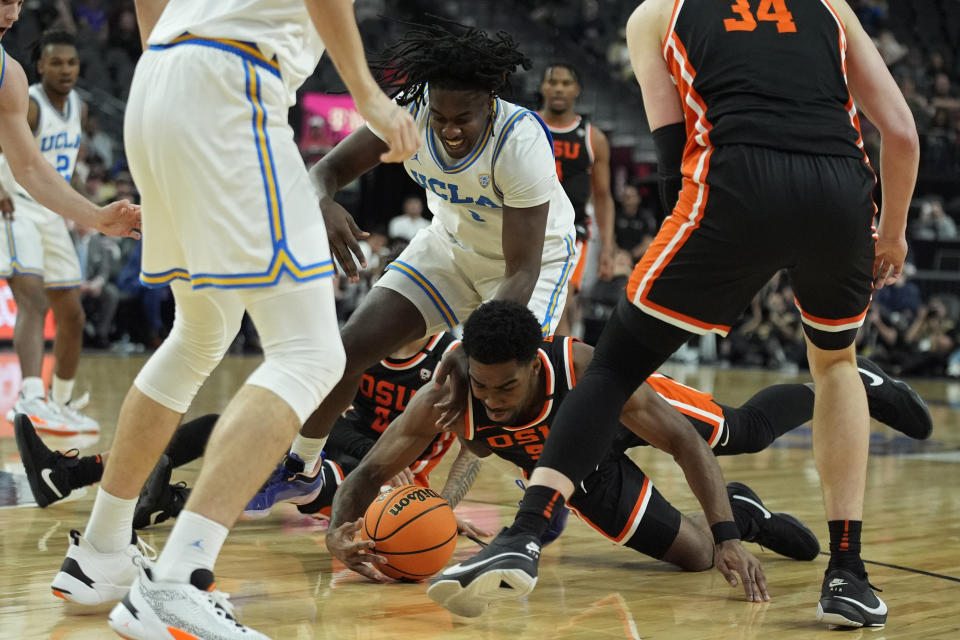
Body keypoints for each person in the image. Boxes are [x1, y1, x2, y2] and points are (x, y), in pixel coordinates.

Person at [437, 0, 919, 628]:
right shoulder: (830, 5)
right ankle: (848, 574)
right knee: (836, 366)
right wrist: (894, 234)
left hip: (735, 185)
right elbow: (903, 133)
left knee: (610, 369)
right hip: (840, 191)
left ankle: (524, 534)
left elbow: (673, 159)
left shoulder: (655, 14)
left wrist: (714, 269)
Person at [49, 1, 418, 639]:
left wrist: (173, 74)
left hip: (161, 77)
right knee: (311, 354)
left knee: (200, 333)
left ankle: (103, 551)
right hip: (230, 83)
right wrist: (371, 98)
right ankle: (179, 581)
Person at [327, 302, 931, 597]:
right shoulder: (448, 398)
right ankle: (746, 511)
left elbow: (683, 444)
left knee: (742, 432)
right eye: (481, 385)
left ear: (535, 367)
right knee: (694, 558)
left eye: (506, 385)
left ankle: (849, 382)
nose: (491, 399)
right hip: (571, 467)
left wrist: (727, 541)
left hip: (619, 417)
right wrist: (339, 530)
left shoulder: (588, 371)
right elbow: (373, 468)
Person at [248, 22, 577, 514]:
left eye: (462, 117)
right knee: (346, 350)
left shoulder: (520, 142)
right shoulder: (413, 116)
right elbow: (324, 173)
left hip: (531, 264)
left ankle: (550, 494)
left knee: (499, 387)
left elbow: (522, 268)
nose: (448, 129)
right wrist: (324, 203)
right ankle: (303, 469)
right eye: (441, 116)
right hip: (449, 246)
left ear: (490, 101)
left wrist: (472, 347)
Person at [0, 30, 126, 434]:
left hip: (53, 211)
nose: (65, 69)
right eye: (56, 62)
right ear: (40, 66)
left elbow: (63, 166)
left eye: (71, 62)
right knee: (32, 301)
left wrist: (81, 207)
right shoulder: (28, 100)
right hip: (16, 204)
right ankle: (30, 398)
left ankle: (60, 401)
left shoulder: (80, 109)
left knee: (71, 314)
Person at [537, 63, 615, 337]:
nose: (558, 88)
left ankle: (560, 375)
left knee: (558, 308)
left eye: (566, 83)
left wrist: (607, 248)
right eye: (553, 81)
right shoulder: (526, 126)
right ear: (543, 87)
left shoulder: (593, 138)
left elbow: (603, 197)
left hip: (572, 233)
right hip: (525, 227)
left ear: (577, 90)